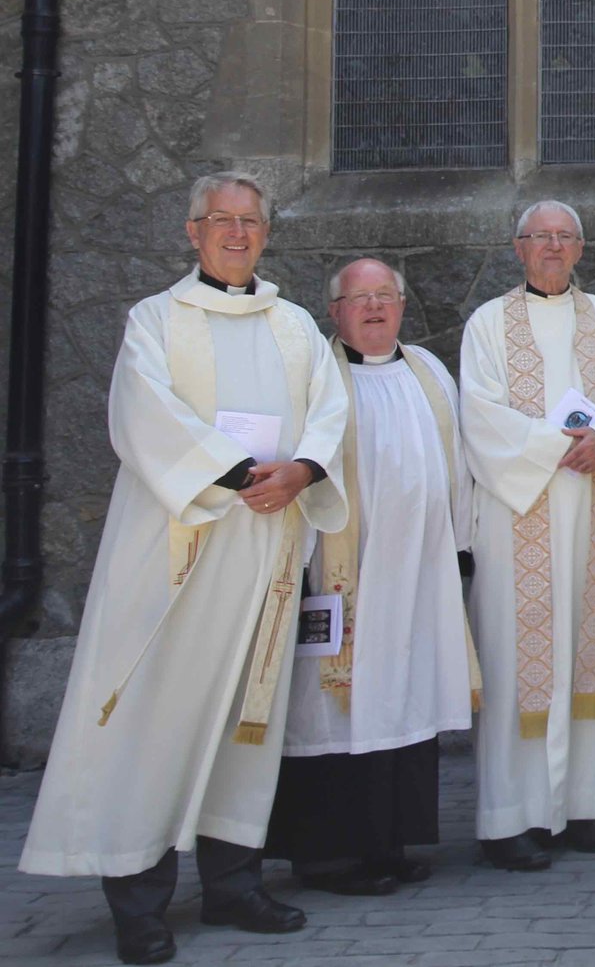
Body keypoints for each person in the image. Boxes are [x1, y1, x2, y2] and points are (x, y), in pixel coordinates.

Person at [19, 173, 349, 965]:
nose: (237, 233)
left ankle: (233, 884)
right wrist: (239, 475)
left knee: (248, 713)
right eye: (221, 221)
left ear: (265, 233)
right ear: (193, 232)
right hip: (180, 554)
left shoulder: (296, 324)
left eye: (250, 221)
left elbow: (331, 410)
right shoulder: (156, 320)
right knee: (156, 720)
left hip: (266, 550)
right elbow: (144, 412)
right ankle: (139, 900)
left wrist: (303, 470)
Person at [264, 258, 475, 895]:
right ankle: (328, 857)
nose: (375, 307)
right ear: (335, 312)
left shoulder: (430, 373)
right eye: (360, 298)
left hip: (417, 572)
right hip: (341, 577)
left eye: (386, 295)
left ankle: (387, 844)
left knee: (401, 698)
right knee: (330, 709)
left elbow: (458, 466)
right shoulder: (314, 378)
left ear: (403, 305)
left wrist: (461, 546)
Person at [460, 201, 595, 870]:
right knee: (522, 663)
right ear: (518, 247)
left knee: (592, 655)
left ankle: (590, 808)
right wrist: (553, 447)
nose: (552, 247)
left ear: (580, 248)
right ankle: (512, 819)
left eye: (564, 237)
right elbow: (479, 417)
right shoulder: (489, 324)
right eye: (540, 237)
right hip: (522, 521)